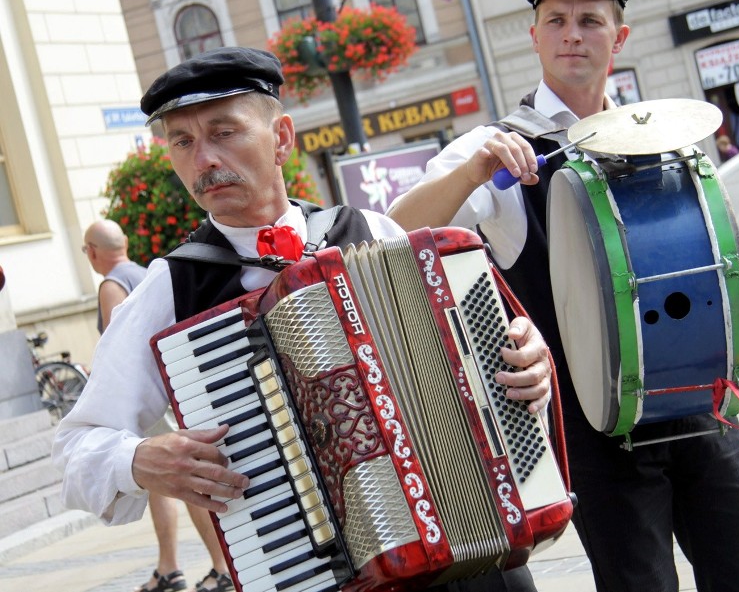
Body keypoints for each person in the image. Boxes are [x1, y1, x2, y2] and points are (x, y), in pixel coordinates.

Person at [54, 47, 553, 592]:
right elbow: (77, 446)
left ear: (283, 139)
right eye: (183, 142)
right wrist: (137, 459)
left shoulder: (370, 230)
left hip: (475, 554)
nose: (203, 160)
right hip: (317, 572)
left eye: (223, 132)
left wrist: (528, 366)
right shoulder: (172, 288)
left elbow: (483, 363)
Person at [387, 0, 739, 592]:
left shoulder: (664, 135)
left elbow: (708, 259)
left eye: (591, 21)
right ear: (535, 35)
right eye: (558, 21)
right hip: (598, 430)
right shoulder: (495, 147)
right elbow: (392, 232)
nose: (573, 34)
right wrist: (470, 174)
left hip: (699, 406)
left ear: (618, 38)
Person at [82, 219, 232, 592]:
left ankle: (220, 566)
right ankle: (170, 567)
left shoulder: (111, 285)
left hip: (150, 396)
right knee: (163, 484)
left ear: (94, 251)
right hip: (175, 387)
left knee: (178, 477)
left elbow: (118, 355)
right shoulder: (145, 274)